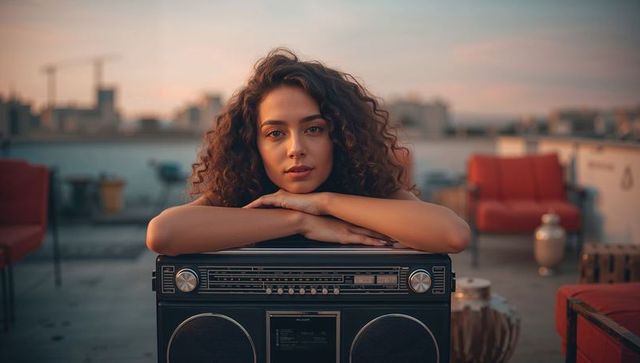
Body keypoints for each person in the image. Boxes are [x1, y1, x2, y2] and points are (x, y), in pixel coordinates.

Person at [146, 48, 470, 256]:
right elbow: (164, 234)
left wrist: (324, 203)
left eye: (313, 129)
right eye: (275, 134)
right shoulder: (241, 191)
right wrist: (299, 221)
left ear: (340, 136)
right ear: (253, 144)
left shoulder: (366, 187)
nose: (296, 149)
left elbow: (452, 235)